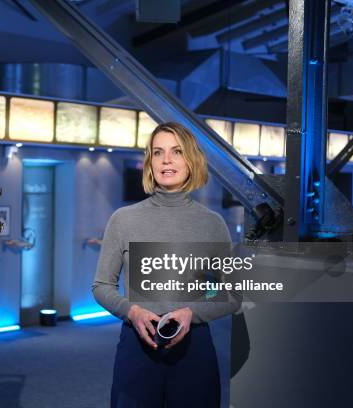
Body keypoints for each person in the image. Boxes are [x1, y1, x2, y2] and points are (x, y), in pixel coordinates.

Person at [92, 122, 242, 408]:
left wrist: (192, 310)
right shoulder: (123, 219)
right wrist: (131, 311)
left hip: (194, 349)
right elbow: (102, 286)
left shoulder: (212, 224)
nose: (167, 160)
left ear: (191, 160)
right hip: (136, 346)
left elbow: (227, 292)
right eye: (158, 152)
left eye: (176, 152)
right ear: (150, 162)